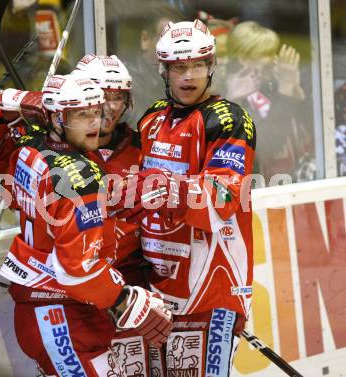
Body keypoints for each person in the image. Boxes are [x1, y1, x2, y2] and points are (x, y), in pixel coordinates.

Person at [0, 72, 173, 376]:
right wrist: (124, 298)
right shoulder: (79, 176)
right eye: (81, 115)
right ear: (57, 118)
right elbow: (78, 270)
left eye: (96, 112)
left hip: (46, 307)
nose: (95, 122)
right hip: (61, 312)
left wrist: (7, 105)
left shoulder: (29, 144)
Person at [111, 19, 256, 376]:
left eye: (196, 65)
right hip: (158, 289)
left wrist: (166, 187)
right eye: (178, 67)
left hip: (212, 290)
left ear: (211, 67)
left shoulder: (229, 120)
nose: (188, 76)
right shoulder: (152, 119)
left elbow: (223, 197)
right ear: (165, 70)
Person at [75, 54, 151, 375]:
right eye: (104, 97)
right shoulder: (62, 150)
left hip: (134, 290)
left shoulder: (142, 143)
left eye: (119, 97)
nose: (111, 107)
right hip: (81, 295)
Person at [225, 21, 313, 182]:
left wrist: (293, 86)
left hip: (292, 180)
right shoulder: (236, 96)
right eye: (268, 53)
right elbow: (271, 144)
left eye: (275, 52)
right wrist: (286, 89)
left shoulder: (268, 84)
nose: (275, 59)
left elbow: (309, 127)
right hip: (261, 190)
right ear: (244, 59)